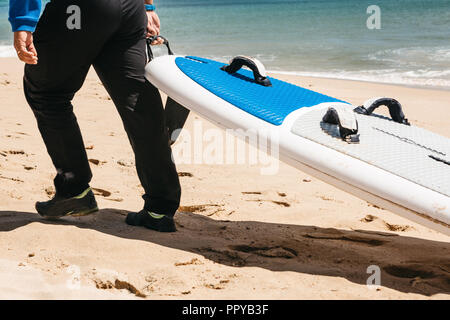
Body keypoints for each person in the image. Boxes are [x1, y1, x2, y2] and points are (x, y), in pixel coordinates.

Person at [9, 0, 181, 232]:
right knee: (137, 103)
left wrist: (22, 23)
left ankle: (74, 189)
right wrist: (147, 7)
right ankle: (160, 208)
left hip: (81, 8)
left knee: (46, 92)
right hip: (130, 9)